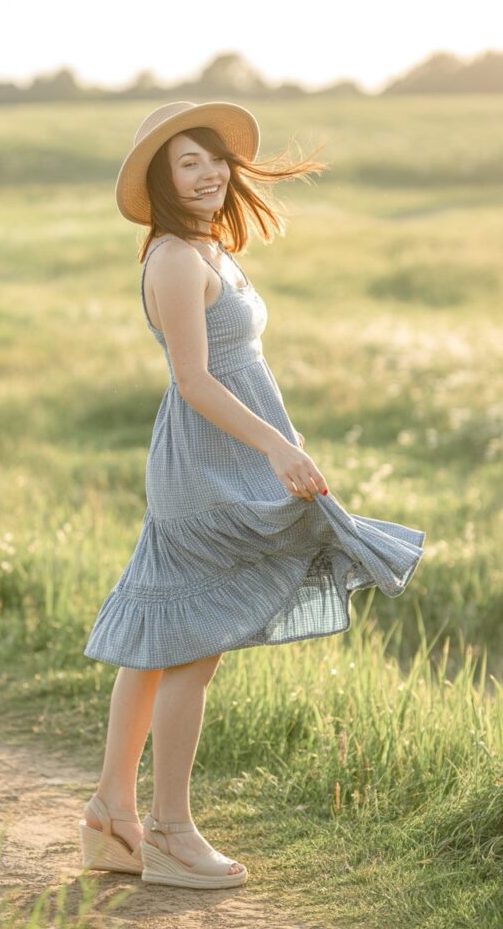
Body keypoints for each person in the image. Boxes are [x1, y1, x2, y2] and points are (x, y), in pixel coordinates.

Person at [79, 101, 426, 889]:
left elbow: (237, 368)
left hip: (229, 458)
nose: (207, 174)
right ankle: (167, 831)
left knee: (164, 634)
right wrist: (273, 444)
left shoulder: (213, 247)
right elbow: (193, 379)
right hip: (206, 468)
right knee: (189, 654)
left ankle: (111, 814)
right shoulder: (173, 258)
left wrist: (277, 435)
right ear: (162, 182)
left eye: (213, 159)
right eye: (186, 164)